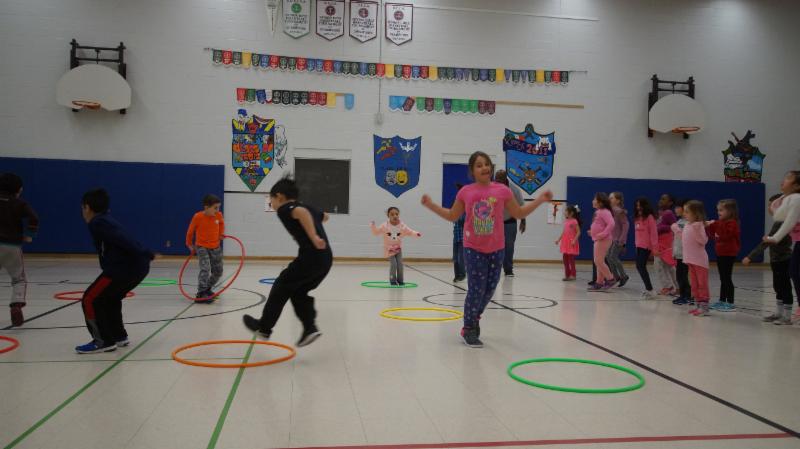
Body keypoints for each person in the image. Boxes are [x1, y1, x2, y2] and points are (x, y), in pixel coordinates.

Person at [421, 151, 552, 348]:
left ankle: (475, 317)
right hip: (473, 248)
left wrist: (540, 200)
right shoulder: (465, 192)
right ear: (472, 171)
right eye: (479, 165)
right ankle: (468, 328)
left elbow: (518, 212)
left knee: (490, 288)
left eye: (487, 164)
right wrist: (431, 205)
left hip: (497, 248)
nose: (485, 168)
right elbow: (452, 215)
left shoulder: (502, 191)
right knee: (476, 289)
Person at [243, 177, 332, 347]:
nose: (272, 205)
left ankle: (264, 327)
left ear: (280, 197)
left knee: (281, 285)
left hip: (310, 257)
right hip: (325, 260)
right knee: (298, 292)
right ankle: (310, 328)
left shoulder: (285, 208)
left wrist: (313, 236)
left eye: (272, 201)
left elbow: (301, 213)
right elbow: (325, 216)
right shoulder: (308, 207)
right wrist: (314, 222)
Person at [78, 188, 155, 353]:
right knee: (110, 298)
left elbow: (123, 238)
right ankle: (118, 336)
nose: (82, 212)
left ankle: (102, 341)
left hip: (123, 268)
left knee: (90, 298)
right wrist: (144, 253)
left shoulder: (97, 222)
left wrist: (145, 252)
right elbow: (123, 237)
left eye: (82, 208)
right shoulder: (106, 220)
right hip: (138, 267)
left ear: (87, 207)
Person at [743, 194, 792, 325]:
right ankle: (779, 313)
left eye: (771, 205)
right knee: (778, 286)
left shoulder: (783, 223)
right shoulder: (778, 222)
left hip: (783, 260)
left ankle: (787, 316)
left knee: (784, 286)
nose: (770, 208)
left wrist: (750, 256)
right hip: (776, 260)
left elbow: (767, 243)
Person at [0, 173, 39, 327]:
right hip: (12, 246)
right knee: (18, 279)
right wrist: (29, 235)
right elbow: (34, 218)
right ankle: (16, 304)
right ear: (18, 189)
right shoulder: (19, 203)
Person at [763, 171, 800, 323]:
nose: (783, 180)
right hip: (798, 241)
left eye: (788, 178)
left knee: (795, 272)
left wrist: (774, 238)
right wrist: (777, 204)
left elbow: (788, 222)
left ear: (797, 186)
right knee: (794, 272)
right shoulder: (790, 198)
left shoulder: (797, 198)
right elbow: (779, 216)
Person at [185, 194, 225, 302]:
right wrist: (189, 244)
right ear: (206, 207)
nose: (217, 210)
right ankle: (201, 293)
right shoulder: (198, 217)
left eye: (218, 207)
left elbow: (221, 224)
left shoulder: (218, 215)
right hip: (202, 247)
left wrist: (221, 234)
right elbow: (190, 232)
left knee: (218, 271)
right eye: (215, 208)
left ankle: (207, 288)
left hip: (216, 247)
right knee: (205, 268)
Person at [370, 207, 421, 286]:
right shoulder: (384, 226)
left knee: (400, 264)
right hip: (389, 248)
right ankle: (392, 280)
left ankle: (400, 281)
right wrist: (373, 226)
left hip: (398, 248)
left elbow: (409, 231)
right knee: (394, 264)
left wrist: (416, 233)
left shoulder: (402, 225)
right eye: (392, 214)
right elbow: (376, 232)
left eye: (396, 214)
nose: (395, 216)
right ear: (388, 216)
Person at [707, 199, 741, 311]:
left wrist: (715, 224)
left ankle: (730, 303)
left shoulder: (732, 223)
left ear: (730, 211)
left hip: (729, 253)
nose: (718, 212)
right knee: (723, 278)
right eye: (718, 210)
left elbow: (726, 236)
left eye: (721, 210)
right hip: (720, 253)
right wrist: (710, 225)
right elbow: (713, 235)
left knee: (727, 278)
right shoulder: (720, 222)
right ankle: (722, 301)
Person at [493, 169, 526, 277]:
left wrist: (523, 221)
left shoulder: (514, 190)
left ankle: (508, 269)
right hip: (495, 222)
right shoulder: (491, 187)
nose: (497, 181)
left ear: (505, 179)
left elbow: (521, 206)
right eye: (495, 179)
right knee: (493, 246)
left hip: (510, 222)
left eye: (499, 179)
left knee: (509, 247)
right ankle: (494, 268)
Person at [682, 200, 710, 317]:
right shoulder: (688, 225)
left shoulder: (698, 226)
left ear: (696, 213)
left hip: (700, 261)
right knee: (694, 284)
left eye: (687, 212)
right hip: (690, 260)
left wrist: (699, 229)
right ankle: (698, 305)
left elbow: (703, 241)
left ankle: (704, 307)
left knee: (702, 284)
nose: (684, 214)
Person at [588, 192, 616, 291]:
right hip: (599, 239)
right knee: (599, 261)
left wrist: (603, 234)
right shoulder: (599, 211)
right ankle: (599, 282)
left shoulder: (604, 211)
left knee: (598, 261)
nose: (593, 201)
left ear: (600, 202)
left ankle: (610, 279)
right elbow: (599, 224)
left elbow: (611, 223)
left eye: (595, 199)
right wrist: (593, 232)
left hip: (604, 239)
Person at [634, 197, 659, 299]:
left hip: (646, 246)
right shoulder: (637, 218)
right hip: (639, 246)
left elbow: (654, 233)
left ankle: (650, 289)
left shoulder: (649, 217)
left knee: (640, 266)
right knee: (639, 266)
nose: (638, 207)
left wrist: (655, 248)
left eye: (640, 205)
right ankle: (648, 288)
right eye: (637, 205)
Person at [671, 199, 694, 305]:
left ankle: (688, 295)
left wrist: (677, 229)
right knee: (679, 275)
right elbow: (676, 240)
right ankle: (682, 295)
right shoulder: (679, 221)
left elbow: (687, 236)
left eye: (678, 207)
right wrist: (674, 252)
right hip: (679, 254)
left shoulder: (690, 222)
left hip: (687, 254)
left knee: (684, 275)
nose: (675, 209)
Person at [655, 194, 678, 296]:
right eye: (661, 198)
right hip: (659, 241)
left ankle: (669, 286)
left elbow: (675, 227)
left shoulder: (668, 213)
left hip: (666, 242)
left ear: (670, 203)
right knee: (665, 265)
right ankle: (675, 286)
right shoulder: (660, 213)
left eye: (664, 199)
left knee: (662, 265)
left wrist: (663, 228)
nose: (661, 200)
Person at [608, 192, 630, 286]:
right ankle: (616, 276)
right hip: (611, 238)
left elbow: (626, 225)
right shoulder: (611, 210)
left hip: (618, 239)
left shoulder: (619, 211)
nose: (610, 199)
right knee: (608, 257)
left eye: (612, 198)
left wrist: (622, 240)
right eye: (609, 197)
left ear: (618, 200)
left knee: (613, 257)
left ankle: (623, 276)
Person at [556, 204, 581, 281]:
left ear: (571, 213)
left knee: (571, 259)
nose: (565, 212)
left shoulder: (574, 221)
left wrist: (574, 240)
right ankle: (567, 275)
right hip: (565, 242)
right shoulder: (566, 221)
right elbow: (564, 232)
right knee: (565, 259)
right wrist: (558, 239)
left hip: (571, 243)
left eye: (566, 211)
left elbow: (578, 232)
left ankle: (573, 275)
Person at [453, 183, 466, 282]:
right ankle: (457, 274)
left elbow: (463, 220)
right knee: (455, 257)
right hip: (456, 236)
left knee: (460, 257)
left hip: (463, 237)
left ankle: (462, 274)